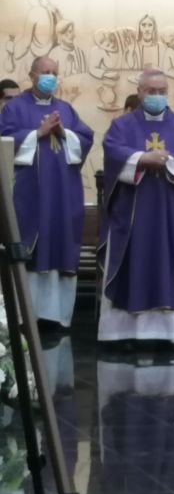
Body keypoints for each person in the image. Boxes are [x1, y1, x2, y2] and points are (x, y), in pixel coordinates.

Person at [97, 70, 174, 346]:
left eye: (162, 91)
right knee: (132, 262)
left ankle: (166, 333)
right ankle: (123, 333)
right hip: (132, 213)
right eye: (151, 91)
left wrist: (166, 160)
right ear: (140, 92)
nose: (157, 96)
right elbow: (112, 150)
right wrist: (141, 159)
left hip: (171, 214)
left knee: (167, 263)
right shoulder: (122, 125)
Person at [0, 56, 94, 329]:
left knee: (59, 244)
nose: (50, 77)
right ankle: (22, 316)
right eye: (45, 72)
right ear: (31, 75)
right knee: (29, 247)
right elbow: (4, 141)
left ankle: (56, 317)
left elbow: (85, 138)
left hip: (63, 193)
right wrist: (37, 132)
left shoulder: (65, 109)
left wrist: (65, 133)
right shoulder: (14, 108)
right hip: (29, 192)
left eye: (54, 72)